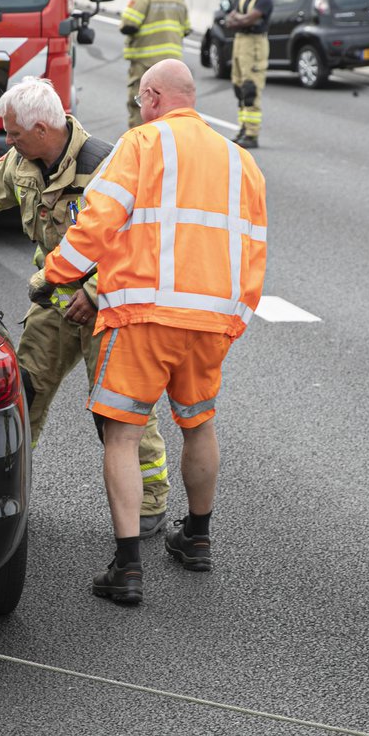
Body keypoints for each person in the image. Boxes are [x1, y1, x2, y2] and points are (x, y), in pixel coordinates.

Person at [38, 59, 267, 605]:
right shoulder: (241, 161)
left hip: (143, 316)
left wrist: (56, 273)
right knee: (198, 424)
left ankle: (128, 567)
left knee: (121, 434)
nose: (140, 108)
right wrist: (236, 315)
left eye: (142, 100)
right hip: (211, 320)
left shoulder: (141, 144)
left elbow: (97, 220)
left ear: (154, 96)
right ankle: (198, 537)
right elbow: (254, 246)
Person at [0, 78, 172, 540]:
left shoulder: (107, 166)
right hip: (55, 304)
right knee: (22, 395)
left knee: (120, 411)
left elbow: (142, 240)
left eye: (14, 133)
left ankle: (149, 502)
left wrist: (96, 291)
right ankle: (4, 484)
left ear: (42, 129)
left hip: (109, 307)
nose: (8, 141)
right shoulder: (20, 164)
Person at [119, 0, 189, 129]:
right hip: (173, 66)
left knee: (141, 105)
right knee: (170, 109)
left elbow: (128, 25)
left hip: (146, 64)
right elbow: (186, 29)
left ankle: (142, 142)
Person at [224, 0, 272, 149]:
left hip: (254, 45)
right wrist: (240, 20)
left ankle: (252, 133)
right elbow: (232, 18)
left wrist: (240, 20)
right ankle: (243, 128)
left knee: (251, 88)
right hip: (240, 43)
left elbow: (247, 19)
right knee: (239, 88)